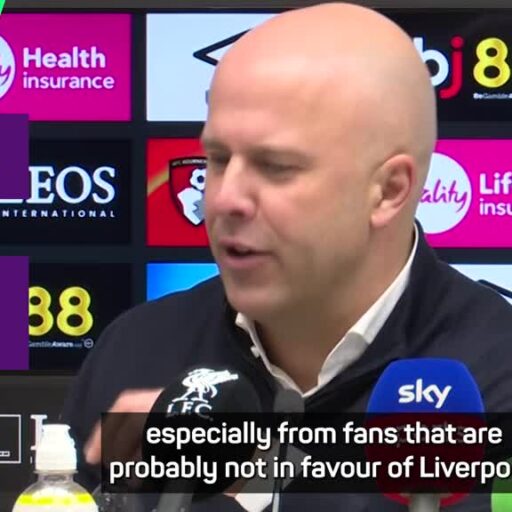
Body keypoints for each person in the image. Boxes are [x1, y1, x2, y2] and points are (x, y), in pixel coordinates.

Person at [61, 3, 512, 511]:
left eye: (275, 166)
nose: (224, 199)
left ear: (389, 191)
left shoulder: (497, 376)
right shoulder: (136, 349)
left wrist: (249, 483)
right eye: (217, 159)